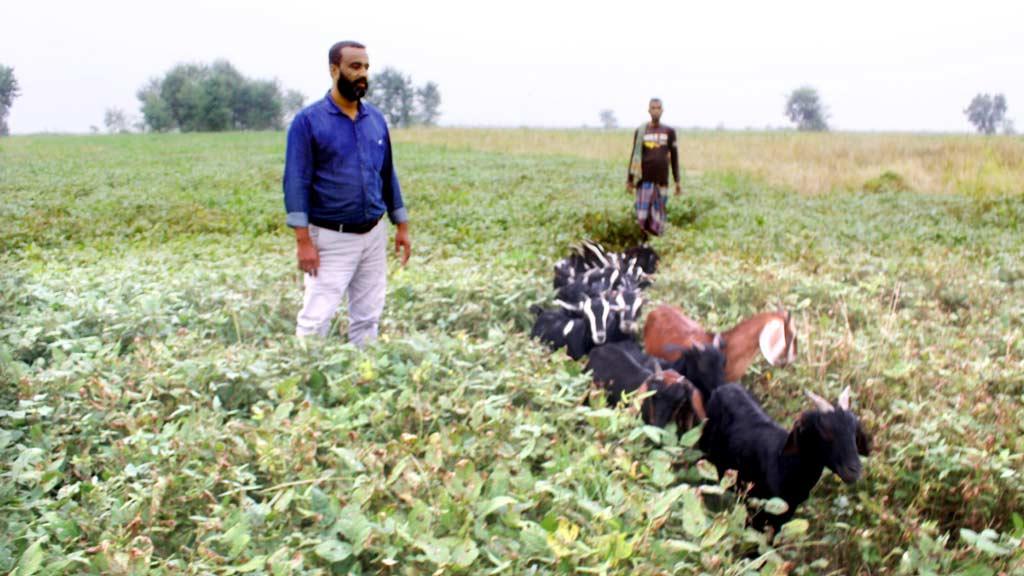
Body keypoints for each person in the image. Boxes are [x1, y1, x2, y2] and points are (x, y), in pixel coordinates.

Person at [283, 40, 411, 345]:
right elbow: (295, 181)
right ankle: (305, 379)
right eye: (355, 66)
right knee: (317, 317)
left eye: (366, 67)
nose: (362, 73)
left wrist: (401, 225)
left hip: (373, 235)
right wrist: (303, 241)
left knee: (368, 315)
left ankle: (363, 378)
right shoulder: (308, 121)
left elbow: (386, 174)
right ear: (334, 69)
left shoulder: (376, 120)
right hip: (330, 237)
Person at [626, 98, 681, 236]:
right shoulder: (641, 131)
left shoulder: (669, 131)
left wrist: (677, 182)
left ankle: (657, 243)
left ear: (662, 110)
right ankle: (643, 242)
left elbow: (674, 158)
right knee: (643, 217)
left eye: (658, 108)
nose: (656, 110)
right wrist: (630, 180)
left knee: (658, 217)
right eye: (653, 108)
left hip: (661, 181)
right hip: (644, 181)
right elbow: (634, 156)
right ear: (649, 110)